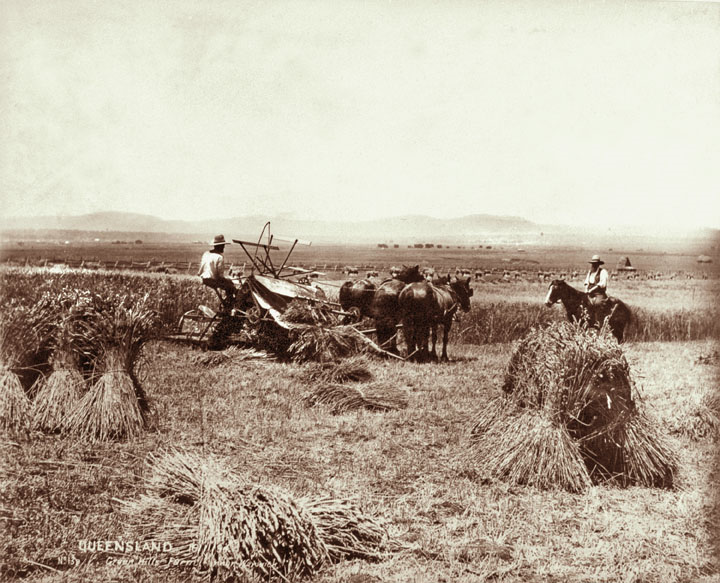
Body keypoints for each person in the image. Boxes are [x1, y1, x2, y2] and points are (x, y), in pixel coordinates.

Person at [198, 235, 236, 308]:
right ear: (220, 246)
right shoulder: (219, 257)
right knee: (231, 287)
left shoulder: (206, 254)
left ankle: (227, 304)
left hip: (204, 279)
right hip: (213, 280)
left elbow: (200, 270)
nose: (224, 247)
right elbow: (219, 276)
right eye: (223, 246)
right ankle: (229, 307)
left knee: (228, 284)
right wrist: (228, 280)